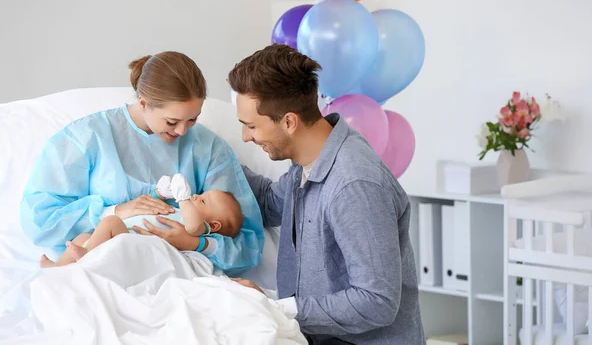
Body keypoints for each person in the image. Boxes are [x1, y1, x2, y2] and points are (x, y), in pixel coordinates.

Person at [227, 44, 425, 344]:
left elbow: (377, 301)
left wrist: (280, 308)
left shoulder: (354, 185)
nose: (246, 136)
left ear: (289, 121)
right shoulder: (306, 163)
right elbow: (269, 205)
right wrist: (216, 159)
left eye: (252, 126)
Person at [20, 51, 263, 276]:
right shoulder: (87, 138)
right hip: (97, 268)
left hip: (169, 274)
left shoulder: (209, 148)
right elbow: (41, 220)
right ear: (143, 103)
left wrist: (197, 242)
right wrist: (113, 212)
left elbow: (246, 243)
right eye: (171, 121)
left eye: (192, 119)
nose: (182, 130)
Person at [40, 174, 244, 268]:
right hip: (124, 236)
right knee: (83, 236)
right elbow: (150, 210)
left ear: (214, 225)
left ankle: (86, 256)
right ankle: (59, 268)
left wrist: (184, 199)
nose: (196, 196)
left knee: (111, 222)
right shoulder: (179, 208)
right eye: (201, 194)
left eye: (204, 200)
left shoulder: (200, 226)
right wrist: (159, 195)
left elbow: (193, 227)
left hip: (133, 246)